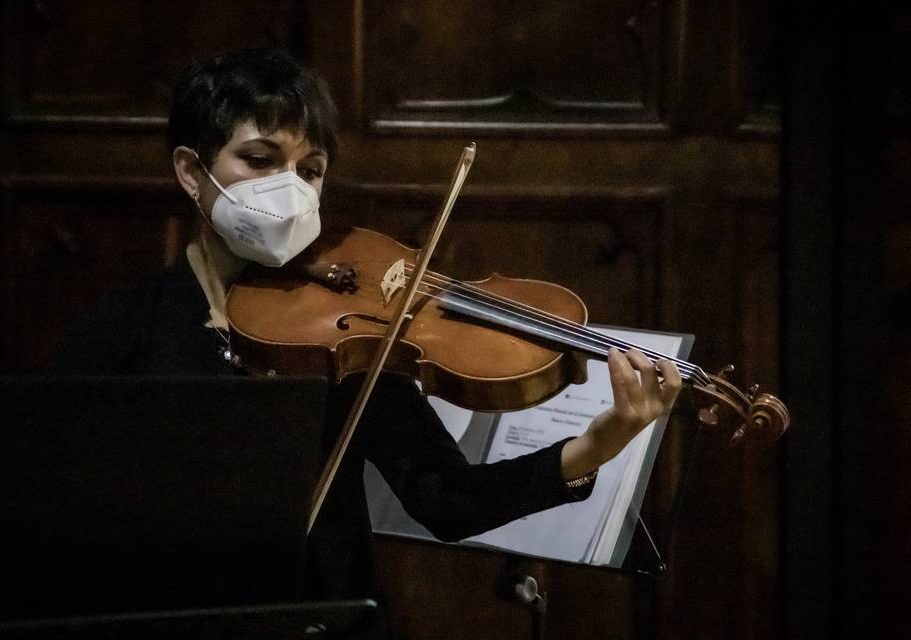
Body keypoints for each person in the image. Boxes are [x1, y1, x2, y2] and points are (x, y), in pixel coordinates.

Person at [55, 48, 681, 607]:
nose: (291, 189)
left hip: (325, 619)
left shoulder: (343, 333)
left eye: (310, 169)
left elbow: (448, 500)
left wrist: (605, 438)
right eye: (260, 159)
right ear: (192, 172)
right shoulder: (121, 330)